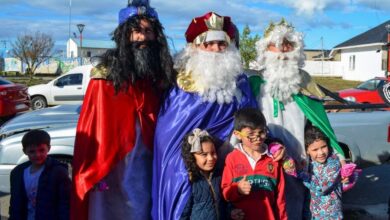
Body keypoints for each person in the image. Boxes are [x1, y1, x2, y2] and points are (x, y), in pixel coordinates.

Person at [70, 1, 175, 220]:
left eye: (148, 31)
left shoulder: (160, 75)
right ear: (125, 34)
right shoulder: (105, 76)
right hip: (113, 164)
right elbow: (94, 125)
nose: (143, 37)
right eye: (136, 31)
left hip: (150, 161)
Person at [152, 11, 258, 220]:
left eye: (221, 43)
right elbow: (169, 137)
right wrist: (187, 168)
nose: (215, 49)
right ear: (194, 47)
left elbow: (252, 120)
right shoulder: (182, 86)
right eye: (208, 44)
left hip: (233, 165)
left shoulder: (240, 82)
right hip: (193, 166)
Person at [249, 19, 346, 219]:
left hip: (298, 162)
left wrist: (339, 159)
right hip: (261, 159)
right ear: (266, 50)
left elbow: (320, 124)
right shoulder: (254, 84)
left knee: (294, 208)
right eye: (276, 45)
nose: (282, 51)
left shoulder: (304, 81)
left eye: (288, 45)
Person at [221, 107, 287, 220]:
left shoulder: (273, 159)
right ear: (237, 134)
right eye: (251, 134)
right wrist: (237, 189)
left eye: (261, 132)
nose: (257, 138)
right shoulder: (232, 158)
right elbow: (225, 191)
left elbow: (280, 198)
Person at [9, 129, 71, 220]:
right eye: (32, 151)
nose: (37, 155)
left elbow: (65, 203)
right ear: (25, 151)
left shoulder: (58, 172)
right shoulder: (17, 173)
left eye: (41, 150)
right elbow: (15, 203)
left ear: (48, 148)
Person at [180, 128, 227, 219]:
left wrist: (232, 211)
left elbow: (226, 203)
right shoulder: (190, 181)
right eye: (204, 154)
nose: (211, 158)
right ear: (192, 157)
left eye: (213, 153)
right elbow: (183, 213)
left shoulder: (219, 176)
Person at [301, 125, 343, 220]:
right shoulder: (309, 163)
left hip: (331, 215)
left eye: (323, 147)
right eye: (315, 150)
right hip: (311, 214)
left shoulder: (333, 163)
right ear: (307, 150)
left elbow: (321, 188)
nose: (321, 153)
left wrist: (300, 173)